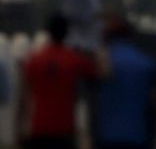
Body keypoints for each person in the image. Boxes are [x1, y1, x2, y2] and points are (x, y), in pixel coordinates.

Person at [18, 13, 101, 149]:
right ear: (67, 33)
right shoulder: (74, 59)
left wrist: (19, 128)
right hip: (64, 129)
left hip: (39, 127)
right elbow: (99, 72)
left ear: (48, 32)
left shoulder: (34, 60)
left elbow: (23, 97)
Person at [94, 19, 156, 149]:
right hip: (138, 136)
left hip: (108, 137)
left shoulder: (101, 65)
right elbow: (154, 104)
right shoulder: (146, 64)